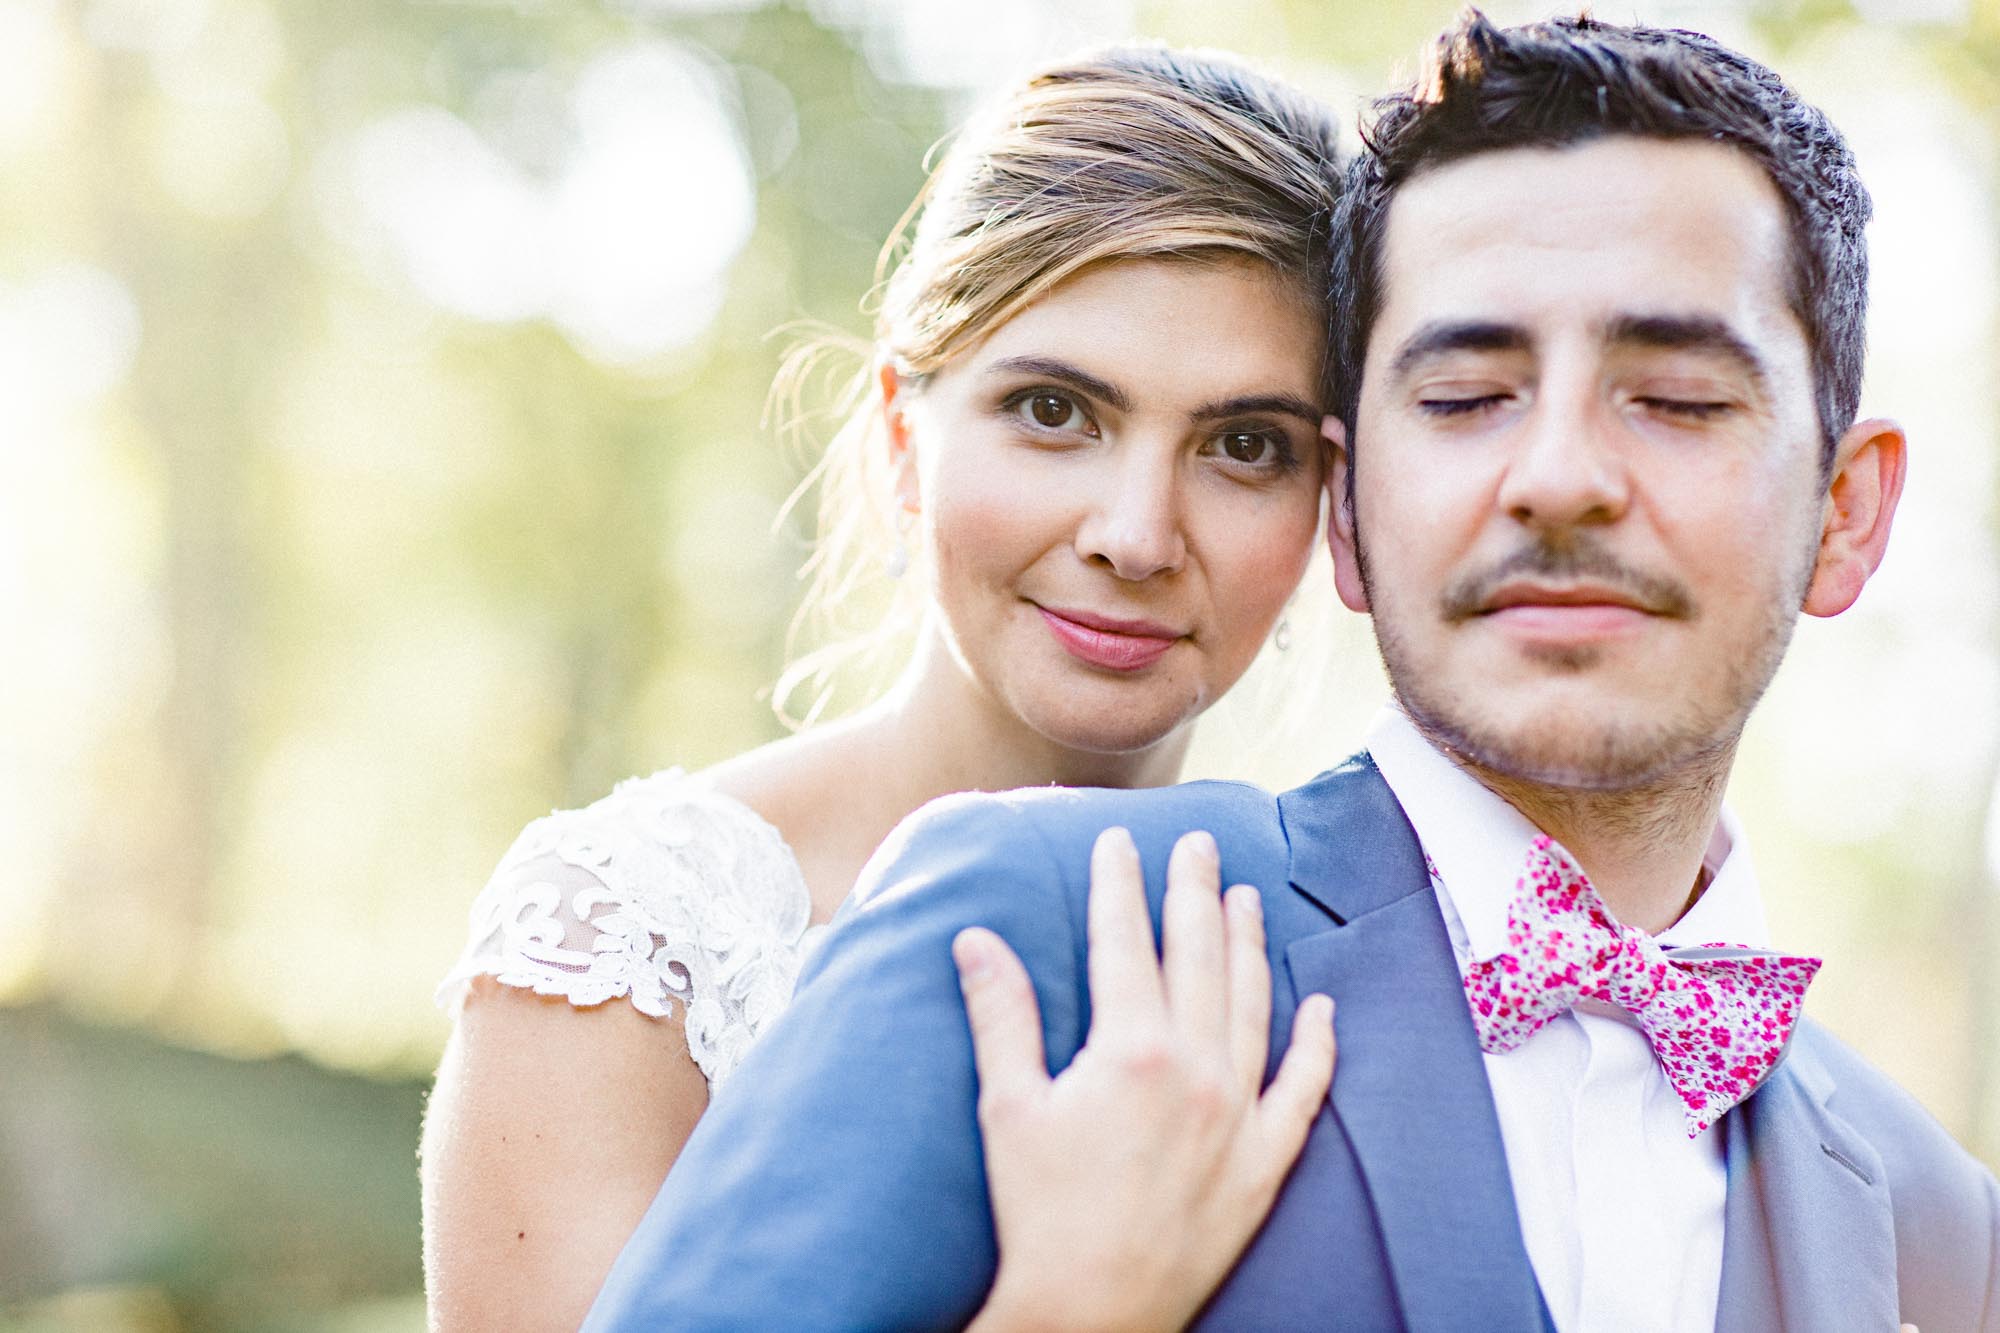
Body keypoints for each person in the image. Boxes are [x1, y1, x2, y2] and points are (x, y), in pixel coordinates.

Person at [583, 14, 2000, 1332]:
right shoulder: (1035, 926)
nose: (1561, 477)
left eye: (1678, 399)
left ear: (1847, 514)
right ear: (1348, 510)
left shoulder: (1942, 1226)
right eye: (1464, 397)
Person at [421, 45, 1350, 1332]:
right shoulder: (624, 954)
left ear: (1335, 507)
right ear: (904, 436)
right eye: (1052, 411)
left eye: (1245, 446)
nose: (1136, 535)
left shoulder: (1351, 953)